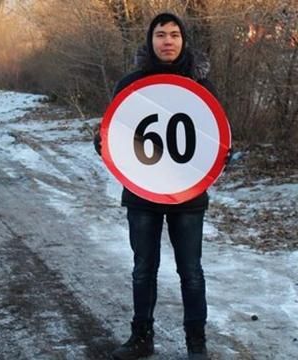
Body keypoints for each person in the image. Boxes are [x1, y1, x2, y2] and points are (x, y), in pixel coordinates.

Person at [95, 13, 227, 360]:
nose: (167, 41)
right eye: (160, 34)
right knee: (143, 269)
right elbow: (116, 133)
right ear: (150, 40)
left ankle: (196, 343)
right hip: (141, 191)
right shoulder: (130, 83)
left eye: (174, 34)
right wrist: (104, 143)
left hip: (188, 193)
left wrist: (222, 154)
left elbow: (216, 135)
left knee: (191, 272)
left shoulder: (201, 84)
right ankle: (141, 338)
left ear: (183, 40)